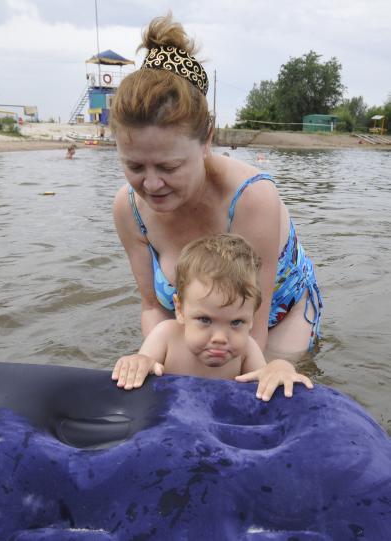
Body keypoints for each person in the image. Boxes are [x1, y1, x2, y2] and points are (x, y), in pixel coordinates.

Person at [110, 13, 322, 360]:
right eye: (134, 166)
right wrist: (154, 364)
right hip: (199, 318)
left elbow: (252, 329)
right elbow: (152, 308)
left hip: (275, 314)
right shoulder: (128, 209)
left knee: (276, 379)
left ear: (207, 140)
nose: (150, 184)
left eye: (169, 166)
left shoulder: (253, 198)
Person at [112, 234, 313, 401]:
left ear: (252, 317)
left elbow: (265, 382)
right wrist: (137, 362)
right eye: (205, 320)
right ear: (180, 310)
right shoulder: (166, 337)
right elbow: (142, 365)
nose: (220, 337)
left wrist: (280, 367)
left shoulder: (246, 350)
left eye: (236, 322)